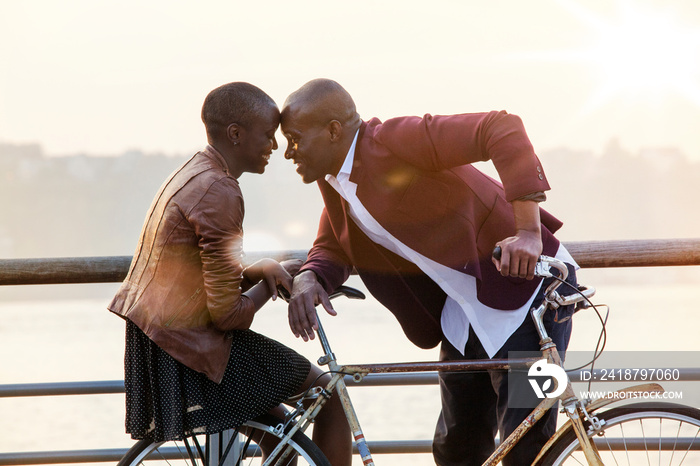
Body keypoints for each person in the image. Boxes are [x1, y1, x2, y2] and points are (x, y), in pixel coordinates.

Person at [280, 78, 578, 466]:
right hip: (464, 317)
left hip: (528, 296)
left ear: (333, 131)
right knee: (457, 449)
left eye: (295, 138)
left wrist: (526, 232)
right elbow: (334, 244)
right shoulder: (336, 182)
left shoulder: (396, 141)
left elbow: (501, 128)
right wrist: (309, 276)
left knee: (527, 451)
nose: (288, 152)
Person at [108, 82, 351, 466]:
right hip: (192, 350)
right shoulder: (221, 191)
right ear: (236, 134)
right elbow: (228, 316)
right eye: (268, 135)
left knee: (280, 437)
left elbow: (196, 267)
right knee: (328, 394)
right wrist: (268, 286)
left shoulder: (193, 171)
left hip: (160, 341)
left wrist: (260, 268)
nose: (274, 146)